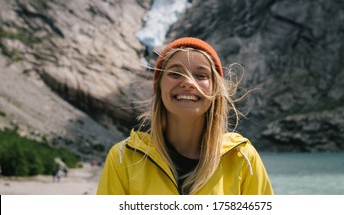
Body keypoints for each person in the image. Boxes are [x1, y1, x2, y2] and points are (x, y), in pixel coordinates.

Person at [97, 37, 273, 195]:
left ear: (215, 89)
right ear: (158, 87)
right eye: (175, 73)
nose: (188, 82)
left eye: (201, 75)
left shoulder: (243, 158)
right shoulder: (123, 158)